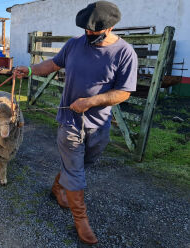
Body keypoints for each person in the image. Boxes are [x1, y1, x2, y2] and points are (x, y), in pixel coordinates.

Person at [15, 1, 137, 245]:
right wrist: (29, 70)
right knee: (76, 169)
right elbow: (52, 64)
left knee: (83, 163)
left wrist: (91, 102)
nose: (88, 34)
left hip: (99, 123)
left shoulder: (125, 53)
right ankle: (81, 221)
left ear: (110, 28)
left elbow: (124, 92)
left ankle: (57, 187)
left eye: (94, 31)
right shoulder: (74, 44)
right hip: (70, 122)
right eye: (86, 29)